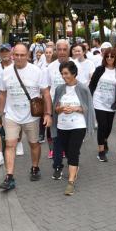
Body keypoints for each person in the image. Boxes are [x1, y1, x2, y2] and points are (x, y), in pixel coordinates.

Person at [0, 44, 52, 190]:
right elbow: (2, 93)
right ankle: (9, 177)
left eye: (23, 55)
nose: (20, 58)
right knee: (10, 145)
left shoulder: (37, 71)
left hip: (32, 116)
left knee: (34, 144)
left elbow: (46, 93)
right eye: (17, 55)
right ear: (12, 55)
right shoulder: (6, 72)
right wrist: (0, 114)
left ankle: (35, 167)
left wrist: (47, 113)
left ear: (28, 55)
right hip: (11, 115)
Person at [51, 61, 95, 196]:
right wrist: (61, 108)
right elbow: (55, 109)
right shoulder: (59, 89)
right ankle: (74, 168)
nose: (64, 76)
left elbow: (88, 108)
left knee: (73, 151)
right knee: (68, 151)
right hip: (62, 125)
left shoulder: (82, 88)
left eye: (66, 73)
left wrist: (76, 108)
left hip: (78, 125)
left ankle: (70, 182)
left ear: (74, 73)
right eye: (62, 74)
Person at [89, 48, 116, 162]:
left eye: (112, 56)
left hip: (111, 104)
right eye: (107, 56)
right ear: (104, 58)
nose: (109, 58)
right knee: (102, 126)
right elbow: (92, 85)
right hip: (98, 101)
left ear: (115, 58)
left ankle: (104, 140)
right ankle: (101, 151)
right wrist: (89, 99)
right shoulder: (99, 70)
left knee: (108, 127)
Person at [48, 40, 71, 174]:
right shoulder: (50, 67)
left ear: (68, 50)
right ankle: (57, 166)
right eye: (59, 49)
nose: (62, 52)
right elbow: (47, 90)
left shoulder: (75, 65)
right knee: (56, 138)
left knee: (69, 138)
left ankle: (72, 161)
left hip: (72, 108)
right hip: (55, 108)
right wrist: (47, 111)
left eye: (64, 49)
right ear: (56, 50)